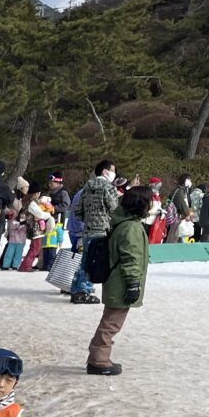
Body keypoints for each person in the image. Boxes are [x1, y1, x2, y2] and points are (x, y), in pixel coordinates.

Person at [85, 184, 152, 377]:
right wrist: (133, 283)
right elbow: (131, 257)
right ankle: (98, 360)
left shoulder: (126, 223)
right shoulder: (131, 228)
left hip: (116, 281)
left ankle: (97, 357)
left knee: (110, 321)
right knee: (111, 323)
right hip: (121, 283)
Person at [69, 160, 120, 304]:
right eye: (113, 170)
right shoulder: (108, 187)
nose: (114, 174)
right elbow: (114, 208)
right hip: (102, 230)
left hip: (87, 230)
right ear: (105, 172)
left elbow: (77, 211)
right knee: (94, 261)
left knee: (85, 260)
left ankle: (76, 289)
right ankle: (84, 291)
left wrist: (88, 219)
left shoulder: (86, 187)